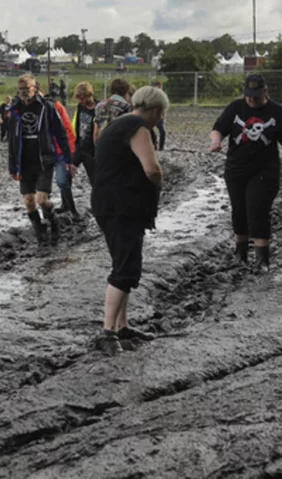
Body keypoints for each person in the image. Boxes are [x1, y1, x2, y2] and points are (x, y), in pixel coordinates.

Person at [92, 85, 167, 354]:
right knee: (125, 269)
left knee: (123, 264)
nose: (160, 120)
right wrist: (160, 184)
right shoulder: (139, 128)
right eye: (161, 115)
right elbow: (152, 169)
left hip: (107, 203)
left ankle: (122, 327)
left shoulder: (117, 124)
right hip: (122, 206)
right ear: (157, 111)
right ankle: (107, 331)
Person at [210, 74, 282, 270]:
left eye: (257, 96)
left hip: (265, 169)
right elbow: (218, 128)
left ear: (266, 92)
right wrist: (216, 140)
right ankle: (241, 255)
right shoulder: (235, 108)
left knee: (258, 208)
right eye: (249, 95)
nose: (252, 100)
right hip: (236, 168)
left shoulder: (276, 112)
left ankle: (262, 260)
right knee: (239, 209)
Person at [8, 74, 73, 245]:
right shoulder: (14, 110)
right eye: (20, 89)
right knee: (29, 202)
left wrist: (68, 159)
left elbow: (60, 133)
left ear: (34, 88)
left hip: (44, 160)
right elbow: (12, 141)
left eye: (27, 89)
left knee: (42, 200)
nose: (24, 92)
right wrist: (12, 166)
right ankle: (40, 231)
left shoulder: (47, 107)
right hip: (24, 162)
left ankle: (54, 221)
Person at [42, 83, 80, 219]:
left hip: (60, 151)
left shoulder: (56, 108)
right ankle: (54, 211)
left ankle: (72, 209)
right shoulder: (34, 111)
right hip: (46, 152)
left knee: (62, 181)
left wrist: (69, 152)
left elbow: (67, 130)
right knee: (44, 187)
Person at [71, 81, 98, 185]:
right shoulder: (80, 107)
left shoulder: (99, 108)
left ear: (89, 95)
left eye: (83, 98)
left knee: (95, 180)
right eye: (79, 98)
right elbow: (76, 125)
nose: (81, 101)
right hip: (81, 146)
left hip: (93, 151)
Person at [93, 78, 131, 144]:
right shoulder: (126, 107)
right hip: (118, 145)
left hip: (102, 144)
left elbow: (96, 131)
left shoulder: (99, 106)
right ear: (126, 91)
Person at [151, 81, 167, 151]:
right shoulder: (151, 96)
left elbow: (164, 108)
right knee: (149, 131)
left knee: (163, 132)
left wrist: (164, 118)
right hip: (152, 117)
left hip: (159, 117)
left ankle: (161, 147)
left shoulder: (163, 96)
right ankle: (153, 145)